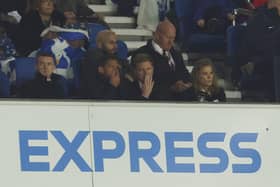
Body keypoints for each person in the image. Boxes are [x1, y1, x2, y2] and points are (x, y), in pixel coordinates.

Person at [132, 20, 192, 100]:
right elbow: (143, 81)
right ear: (157, 35)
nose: (171, 42)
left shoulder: (176, 54)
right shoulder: (141, 53)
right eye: (168, 38)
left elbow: (185, 74)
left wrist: (184, 84)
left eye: (173, 38)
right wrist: (170, 88)